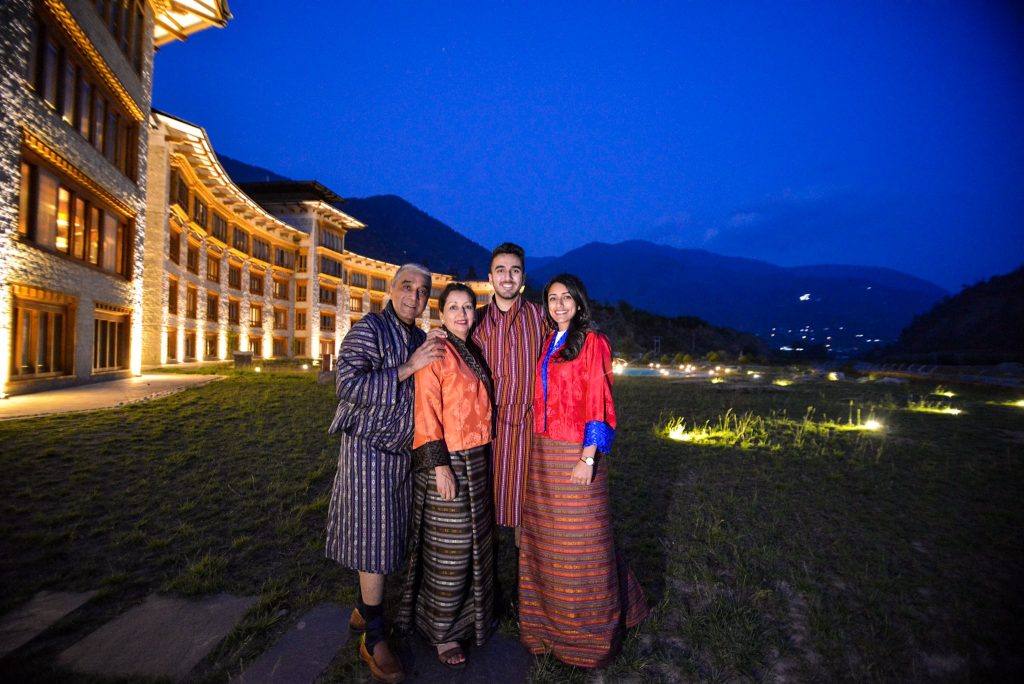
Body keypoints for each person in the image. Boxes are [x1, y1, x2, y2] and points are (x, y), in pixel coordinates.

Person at [518, 273, 650, 668]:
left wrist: (588, 456)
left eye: (565, 298)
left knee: (584, 541)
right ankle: (545, 630)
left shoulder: (593, 341)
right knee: (548, 542)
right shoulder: (548, 341)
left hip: (577, 450)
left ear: (579, 301)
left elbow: (600, 399)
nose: (558, 305)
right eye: (552, 298)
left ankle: (588, 637)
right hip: (543, 452)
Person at [325, 263, 447, 684]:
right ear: (392, 289)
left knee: (389, 537)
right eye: (408, 286)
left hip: (401, 454)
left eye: (423, 290)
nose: (415, 295)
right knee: (374, 540)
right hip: (367, 449)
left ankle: (364, 609)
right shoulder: (369, 328)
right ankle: (374, 637)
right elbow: (348, 385)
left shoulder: (418, 336)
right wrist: (407, 367)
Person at [397, 283, 496, 669]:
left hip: (476, 456)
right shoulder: (435, 349)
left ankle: (469, 620)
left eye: (468, 307)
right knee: (448, 552)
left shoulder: (468, 348)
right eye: (453, 307)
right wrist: (439, 466)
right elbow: (426, 410)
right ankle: (442, 633)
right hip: (448, 458)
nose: (461, 314)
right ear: (441, 315)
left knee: (475, 545)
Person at [471, 243, 546, 540]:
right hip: (483, 430)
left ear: (523, 278)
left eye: (514, 271)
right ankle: (485, 583)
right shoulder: (474, 320)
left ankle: (524, 583)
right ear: (490, 277)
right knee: (481, 510)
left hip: (526, 428)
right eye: (500, 270)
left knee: (525, 514)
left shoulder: (540, 318)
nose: (507, 277)